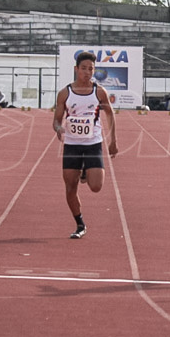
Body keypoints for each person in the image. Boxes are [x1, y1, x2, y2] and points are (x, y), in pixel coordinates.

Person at [53, 51, 118, 239]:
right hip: (72, 145)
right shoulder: (65, 93)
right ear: (76, 69)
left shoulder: (99, 92)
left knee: (96, 186)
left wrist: (113, 141)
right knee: (70, 187)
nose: (87, 72)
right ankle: (80, 223)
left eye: (91, 69)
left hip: (93, 143)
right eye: (83, 69)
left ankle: (85, 171)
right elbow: (56, 120)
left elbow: (110, 114)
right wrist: (58, 129)